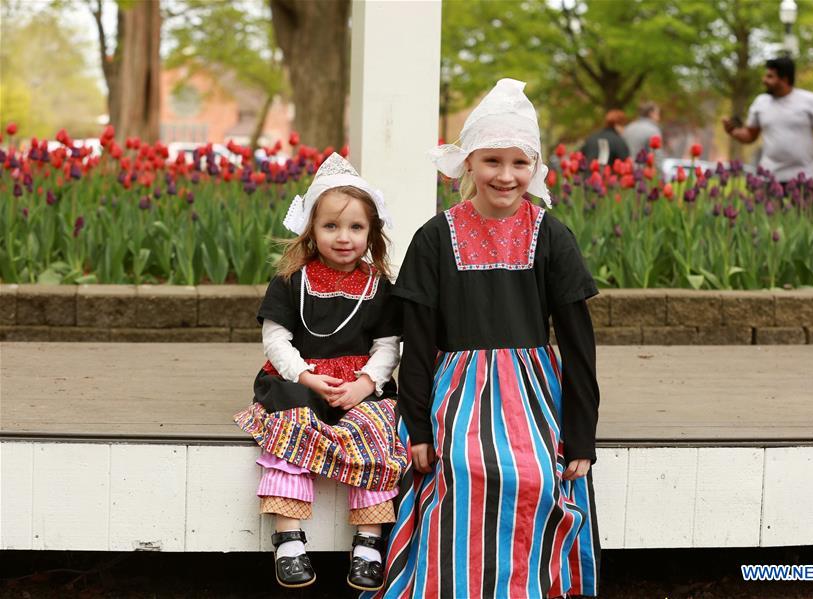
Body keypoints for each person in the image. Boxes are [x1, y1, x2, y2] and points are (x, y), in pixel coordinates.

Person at [366, 78, 602, 598]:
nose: (505, 175)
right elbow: (419, 340)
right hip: (457, 390)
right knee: (461, 470)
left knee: (537, 475)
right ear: (468, 163)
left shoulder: (552, 235)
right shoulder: (435, 236)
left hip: (533, 391)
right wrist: (420, 428)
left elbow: (578, 344)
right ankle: (454, 583)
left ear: (535, 169)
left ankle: (526, 584)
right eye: (492, 161)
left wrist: (581, 433)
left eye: (519, 163)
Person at [233, 153, 406, 591]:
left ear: (371, 233)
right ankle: (288, 537)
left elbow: (388, 347)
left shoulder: (380, 288)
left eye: (356, 228)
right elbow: (276, 339)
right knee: (292, 428)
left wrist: (366, 383)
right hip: (300, 380)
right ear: (311, 228)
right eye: (331, 226)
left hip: (358, 383)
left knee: (376, 431)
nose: (343, 237)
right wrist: (305, 375)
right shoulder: (291, 280)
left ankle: (368, 541)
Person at [723, 56, 813, 187]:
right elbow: (750, 136)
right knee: (765, 208)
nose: (764, 80)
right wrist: (732, 131)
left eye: (770, 76)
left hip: (803, 179)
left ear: (784, 79)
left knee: (800, 209)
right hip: (768, 177)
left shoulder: (810, 101)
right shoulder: (761, 102)